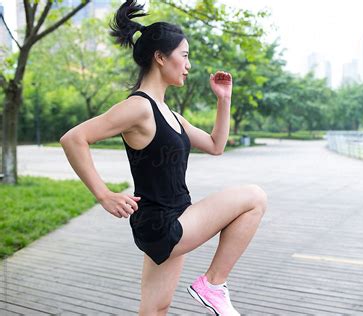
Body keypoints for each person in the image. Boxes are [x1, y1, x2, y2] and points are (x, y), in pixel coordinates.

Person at [59, 1, 268, 315]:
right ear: (160, 57)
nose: (188, 65)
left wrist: (223, 100)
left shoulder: (171, 115)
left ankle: (211, 286)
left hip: (171, 219)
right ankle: (212, 285)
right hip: (163, 224)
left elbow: (215, 145)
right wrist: (104, 195)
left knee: (155, 309)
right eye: (184, 56)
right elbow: (73, 139)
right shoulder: (139, 107)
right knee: (254, 197)